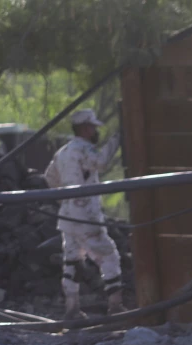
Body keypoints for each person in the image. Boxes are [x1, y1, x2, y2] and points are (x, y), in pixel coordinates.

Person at [43, 109, 125, 319]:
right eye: (93, 127)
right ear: (85, 128)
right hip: (86, 215)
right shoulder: (84, 149)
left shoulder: (62, 152)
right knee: (109, 255)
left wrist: (65, 198)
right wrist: (118, 138)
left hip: (67, 217)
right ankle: (115, 307)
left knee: (72, 260)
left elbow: (49, 176)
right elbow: (102, 162)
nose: (95, 131)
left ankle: (72, 309)